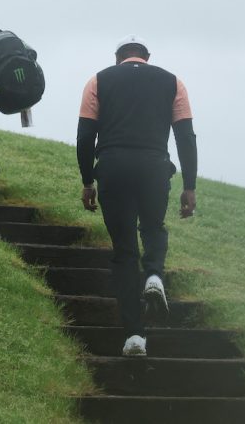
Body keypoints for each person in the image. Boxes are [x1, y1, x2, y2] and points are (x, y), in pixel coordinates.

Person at [76, 35, 197, 357]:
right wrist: (190, 185)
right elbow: (185, 135)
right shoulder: (173, 82)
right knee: (154, 227)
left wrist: (88, 181)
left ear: (119, 58)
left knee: (125, 252)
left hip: (113, 168)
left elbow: (86, 135)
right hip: (154, 167)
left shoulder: (98, 80)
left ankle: (134, 337)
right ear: (147, 56)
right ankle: (155, 273)